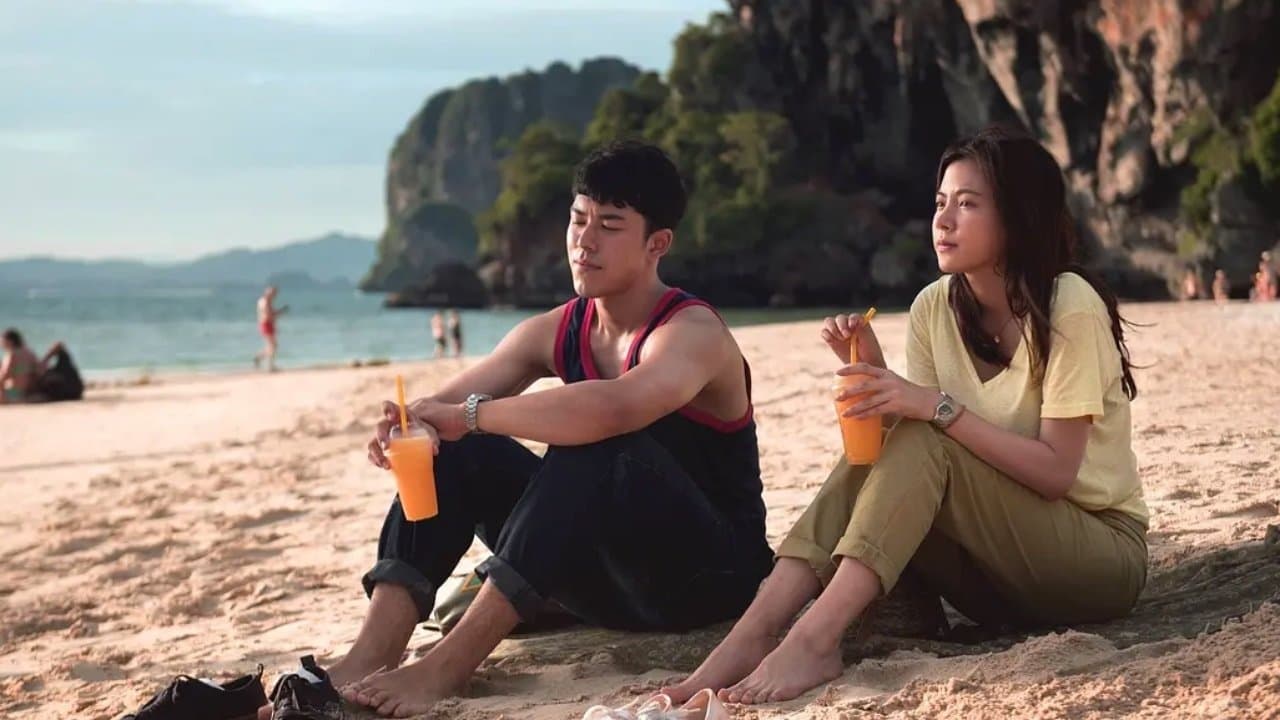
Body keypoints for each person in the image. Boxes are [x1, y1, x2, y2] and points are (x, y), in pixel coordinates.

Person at [266, 141, 773, 719]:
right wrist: (414, 427)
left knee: (593, 441)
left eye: (610, 226)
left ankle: (447, 666)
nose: (584, 241)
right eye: (578, 220)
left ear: (657, 244)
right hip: (606, 585)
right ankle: (370, 655)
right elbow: (444, 407)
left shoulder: (692, 332)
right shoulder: (559, 329)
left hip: (708, 578)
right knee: (458, 453)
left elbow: (613, 408)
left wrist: (469, 417)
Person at [665, 125, 1149, 706]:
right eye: (940, 202)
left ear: (1019, 216)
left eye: (967, 204)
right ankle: (754, 633)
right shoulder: (933, 308)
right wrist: (875, 376)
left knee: (927, 430)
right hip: (995, 577)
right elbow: (910, 459)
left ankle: (813, 639)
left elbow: (1055, 474)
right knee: (898, 442)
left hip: (1094, 558)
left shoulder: (1068, 303)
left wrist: (934, 406)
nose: (943, 220)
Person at [1, 329, 68, 404]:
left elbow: (4, 375)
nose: (1, 343)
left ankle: (20, 400)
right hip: (27, 391)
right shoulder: (29, 353)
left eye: (2, 341)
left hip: (14, 392)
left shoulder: (11, 355)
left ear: (10, 341)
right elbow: (39, 370)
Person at [252, 286, 288, 372]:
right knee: (273, 346)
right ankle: (269, 366)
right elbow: (269, 315)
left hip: (267, 324)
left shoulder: (264, 301)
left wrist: (278, 313)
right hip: (266, 324)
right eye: (273, 294)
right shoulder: (265, 302)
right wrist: (280, 312)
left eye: (275, 294)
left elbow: (270, 314)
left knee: (272, 346)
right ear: (268, 293)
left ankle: (259, 358)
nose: (274, 296)